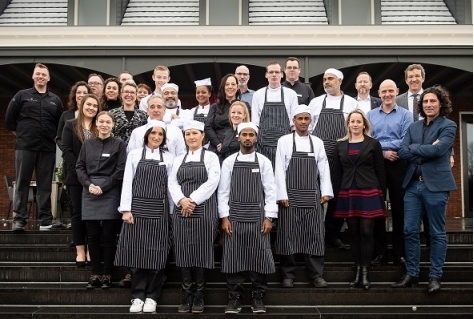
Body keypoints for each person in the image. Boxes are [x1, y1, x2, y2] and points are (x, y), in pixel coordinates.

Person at [392, 85, 456, 293]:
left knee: (436, 233)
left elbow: (439, 149)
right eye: (425, 102)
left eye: (433, 101)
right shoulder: (413, 127)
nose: (428, 105)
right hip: (412, 185)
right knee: (409, 230)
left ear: (441, 104)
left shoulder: (449, 125)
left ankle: (435, 276)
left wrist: (416, 149)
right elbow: (402, 151)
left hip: (436, 186)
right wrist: (425, 150)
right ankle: (412, 273)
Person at [115, 121, 174, 313]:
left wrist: (172, 213)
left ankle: (152, 297)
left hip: (160, 212)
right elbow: (127, 183)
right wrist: (126, 210)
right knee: (138, 254)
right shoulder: (133, 155)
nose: (156, 137)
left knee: (157, 255)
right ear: (147, 134)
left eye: (160, 134)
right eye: (153, 133)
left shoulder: (169, 157)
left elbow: (171, 188)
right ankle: (137, 297)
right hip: (137, 211)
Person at [218, 122, 277, 314]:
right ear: (238, 138)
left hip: (258, 217)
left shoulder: (264, 162)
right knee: (233, 256)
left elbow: (270, 191)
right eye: (244, 134)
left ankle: (258, 297)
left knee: (259, 256)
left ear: (256, 138)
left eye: (251, 134)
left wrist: (269, 217)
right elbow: (223, 192)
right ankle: (234, 297)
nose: (248, 138)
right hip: (234, 216)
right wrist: (224, 217)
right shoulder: (228, 162)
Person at [274, 105, 333, 289]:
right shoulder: (284, 141)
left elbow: (323, 169)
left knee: (314, 235)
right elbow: (279, 170)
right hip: (289, 197)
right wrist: (282, 194)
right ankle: (288, 275)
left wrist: (325, 192)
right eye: (299, 118)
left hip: (312, 195)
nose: (303, 122)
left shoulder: (317, 142)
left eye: (306, 119)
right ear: (293, 121)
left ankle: (316, 275)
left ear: (310, 121)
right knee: (287, 235)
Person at [168, 120, 220, 314]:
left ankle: (199, 295)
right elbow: (172, 182)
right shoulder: (178, 158)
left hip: (204, 208)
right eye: (188, 134)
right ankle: (186, 293)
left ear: (202, 136)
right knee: (183, 250)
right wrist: (182, 200)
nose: (191, 137)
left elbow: (213, 180)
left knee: (201, 250)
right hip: (182, 209)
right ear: (184, 137)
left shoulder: (211, 157)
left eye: (195, 133)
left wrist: (193, 200)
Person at [5, 63, 64, 232]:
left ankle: (45, 220)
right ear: (33, 76)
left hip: (47, 148)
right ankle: (19, 219)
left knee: (45, 185)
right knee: (22, 182)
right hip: (25, 147)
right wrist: (23, 135)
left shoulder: (55, 100)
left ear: (48, 78)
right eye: (38, 74)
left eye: (44, 74)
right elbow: (10, 121)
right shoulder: (21, 96)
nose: (41, 77)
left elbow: (59, 125)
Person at [333, 109, 387, 290]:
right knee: (353, 233)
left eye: (358, 121)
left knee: (366, 232)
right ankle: (357, 271)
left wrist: (382, 194)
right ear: (348, 124)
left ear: (364, 124)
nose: (355, 124)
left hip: (369, 190)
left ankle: (365, 272)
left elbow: (380, 170)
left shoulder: (373, 144)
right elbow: (337, 173)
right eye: (352, 121)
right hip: (348, 191)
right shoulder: (340, 145)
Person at [76, 111, 127, 289]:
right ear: (96, 124)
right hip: (89, 190)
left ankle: (107, 274)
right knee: (92, 236)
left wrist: (103, 187)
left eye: (108, 122)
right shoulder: (88, 144)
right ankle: (95, 273)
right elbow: (79, 167)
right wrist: (88, 184)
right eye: (101, 122)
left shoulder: (119, 144)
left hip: (110, 190)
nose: (104, 125)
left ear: (112, 125)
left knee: (108, 236)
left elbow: (120, 170)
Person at [308, 68, 358, 249]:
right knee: (314, 194)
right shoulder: (315, 103)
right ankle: (313, 234)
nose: (326, 82)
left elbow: (356, 130)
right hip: (317, 155)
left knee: (337, 196)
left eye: (330, 79)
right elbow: (309, 129)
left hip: (341, 156)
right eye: (324, 79)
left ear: (340, 81)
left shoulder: (352, 103)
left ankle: (333, 234)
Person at [367, 79, 413, 266]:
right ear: (378, 92)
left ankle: (399, 252)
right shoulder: (370, 114)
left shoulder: (406, 115)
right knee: (378, 209)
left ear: (397, 91)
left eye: (390, 91)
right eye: (384, 91)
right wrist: (382, 152)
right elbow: (368, 140)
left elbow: (405, 141)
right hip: (376, 164)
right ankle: (380, 252)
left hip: (398, 162)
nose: (387, 94)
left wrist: (382, 148)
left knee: (399, 208)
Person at [61, 94, 100, 267]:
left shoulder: (98, 127)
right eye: (88, 104)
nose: (91, 108)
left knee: (93, 215)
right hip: (75, 178)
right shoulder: (70, 125)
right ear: (82, 105)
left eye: (95, 105)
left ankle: (92, 249)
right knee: (77, 214)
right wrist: (80, 171)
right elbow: (67, 150)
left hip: (95, 178)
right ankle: (80, 251)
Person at [251, 61, 299, 167]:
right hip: (263, 144)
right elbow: (255, 122)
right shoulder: (258, 94)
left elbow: (294, 122)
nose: (274, 75)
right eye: (271, 72)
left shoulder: (291, 94)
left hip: (284, 142)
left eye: (277, 72)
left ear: (282, 74)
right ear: (266, 75)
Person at [205, 74, 242, 158]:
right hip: (216, 148)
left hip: (236, 148)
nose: (230, 87)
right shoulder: (214, 107)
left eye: (233, 84)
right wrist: (218, 144)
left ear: (237, 87)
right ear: (223, 87)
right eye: (227, 84)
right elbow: (208, 127)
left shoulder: (244, 106)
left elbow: (247, 126)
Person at [110, 81, 148, 145]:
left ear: (136, 95)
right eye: (126, 92)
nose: (129, 95)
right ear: (121, 94)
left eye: (132, 92)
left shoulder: (144, 115)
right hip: (116, 151)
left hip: (137, 152)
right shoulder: (112, 113)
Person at [56, 81, 92, 151]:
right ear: (74, 95)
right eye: (79, 92)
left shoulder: (93, 115)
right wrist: (66, 150)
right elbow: (59, 138)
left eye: (85, 93)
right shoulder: (65, 115)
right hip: (69, 156)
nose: (81, 95)